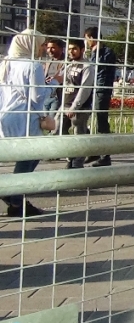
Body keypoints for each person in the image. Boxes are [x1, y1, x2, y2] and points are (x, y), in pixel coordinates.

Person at [0, 29, 50, 217]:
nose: (43, 48)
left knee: (25, 155)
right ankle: (15, 198)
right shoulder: (33, 65)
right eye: (41, 44)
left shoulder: (6, 63)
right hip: (25, 116)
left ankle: (14, 198)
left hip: (6, 116)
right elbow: (37, 97)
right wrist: (52, 85)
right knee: (31, 155)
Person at [57, 38, 94, 170]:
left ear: (82, 50)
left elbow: (85, 88)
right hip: (65, 104)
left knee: (79, 135)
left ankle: (77, 163)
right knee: (58, 130)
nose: (71, 51)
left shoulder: (87, 66)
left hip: (79, 107)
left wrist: (75, 106)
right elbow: (63, 81)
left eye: (74, 49)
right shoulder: (69, 64)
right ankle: (70, 157)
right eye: (69, 49)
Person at [83, 27, 116, 167]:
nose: (86, 42)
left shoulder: (106, 52)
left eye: (86, 38)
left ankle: (105, 155)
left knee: (101, 121)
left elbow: (99, 68)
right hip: (94, 89)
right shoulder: (92, 53)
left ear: (91, 38)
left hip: (102, 90)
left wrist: (96, 51)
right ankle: (95, 150)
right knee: (86, 119)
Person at [43, 38, 65, 130]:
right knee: (44, 121)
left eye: (53, 48)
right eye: (48, 48)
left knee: (54, 122)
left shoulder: (66, 62)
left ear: (61, 49)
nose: (49, 50)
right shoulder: (48, 61)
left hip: (58, 95)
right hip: (46, 95)